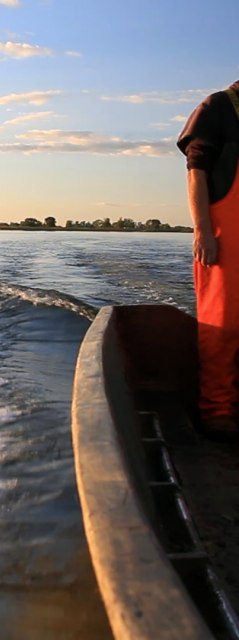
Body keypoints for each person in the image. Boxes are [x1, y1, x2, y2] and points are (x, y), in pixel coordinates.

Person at [177, 80, 239, 440]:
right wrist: (202, 231)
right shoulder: (217, 107)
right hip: (225, 236)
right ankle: (218, 411)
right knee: (224, 324)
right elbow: (196, 170)